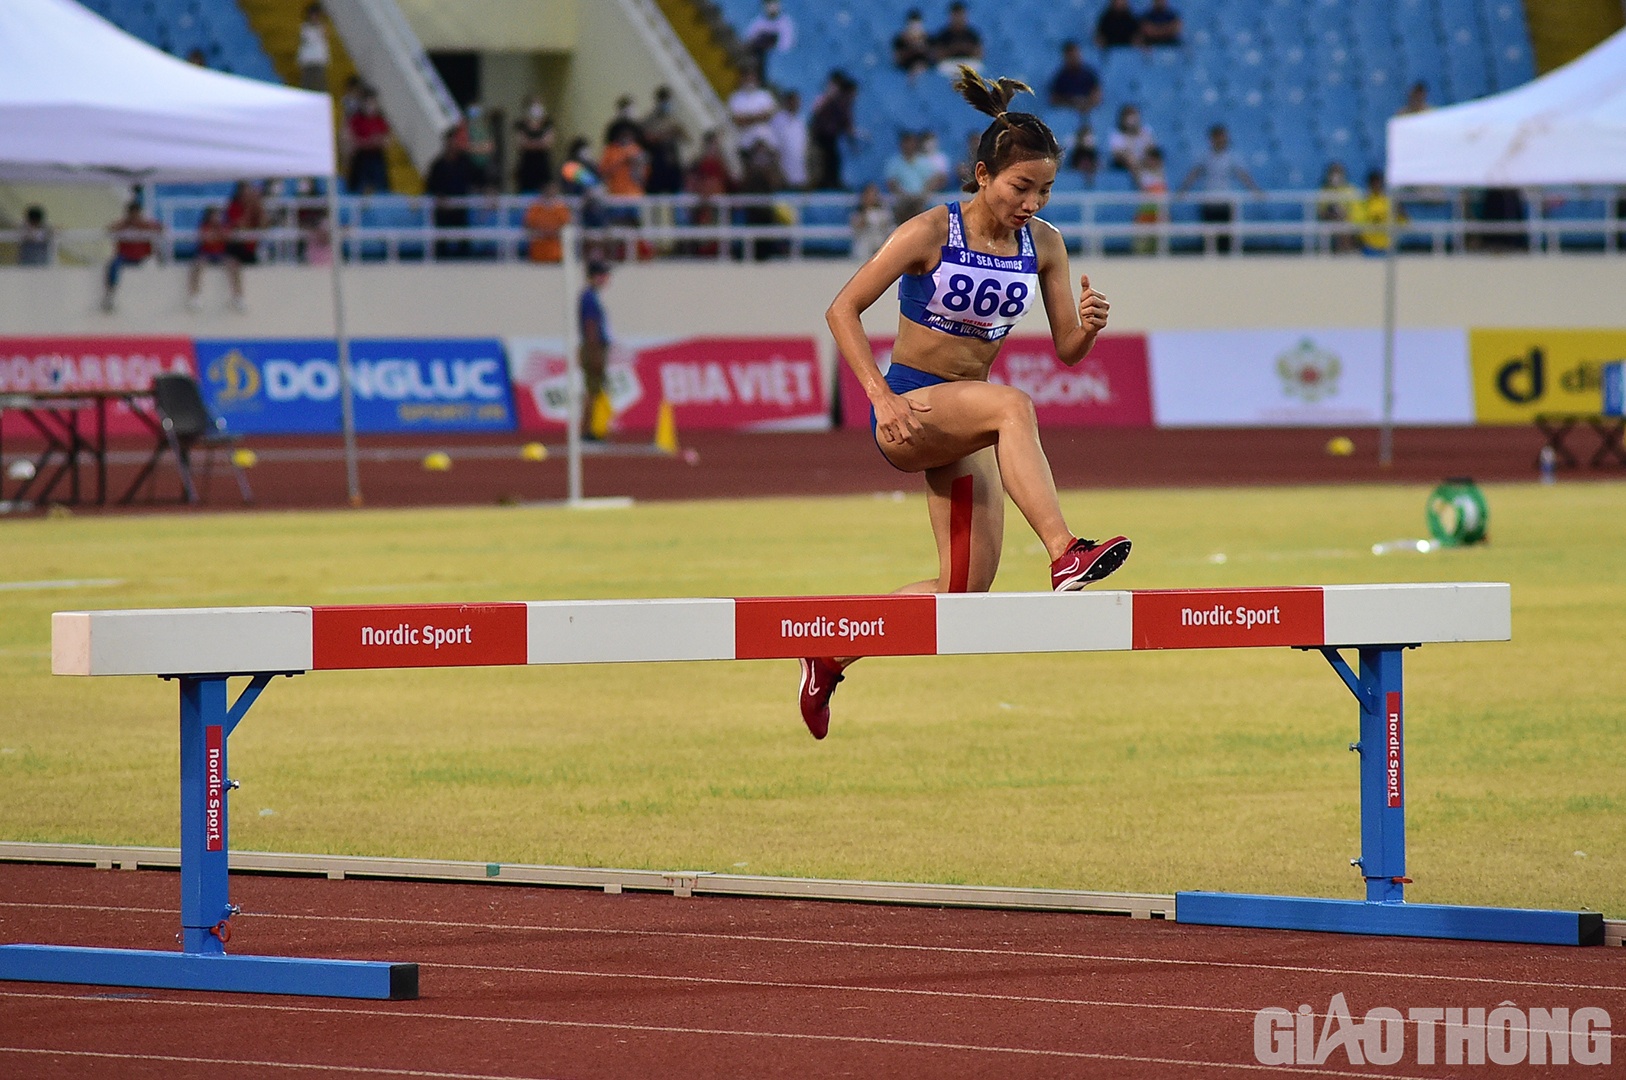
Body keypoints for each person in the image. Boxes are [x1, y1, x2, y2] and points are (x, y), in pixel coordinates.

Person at [808, 67, 1131, 740]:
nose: (1032, 202)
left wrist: (1089, 326)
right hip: (910, 409)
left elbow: (1067, 348)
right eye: (1021, 187)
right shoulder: (929, 230)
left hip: (965, 423)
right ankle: (1064, 551)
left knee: (962, 598)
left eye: (1044, 189)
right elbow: (842, 309)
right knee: (1013, 404)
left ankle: (830, 653)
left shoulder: (1045, 245)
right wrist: (878, 397)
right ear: (982, 176)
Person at [1176, 123, 1260, 254]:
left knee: (1228, 235)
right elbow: (1194, 173)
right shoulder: (1204, 156)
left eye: (1222, 137)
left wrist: (1255, 190)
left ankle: (1230, 264)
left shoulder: (1232, 157)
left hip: (1226, 201)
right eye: (1217, 137)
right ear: (1211, 138)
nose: (1220, 140)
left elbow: (1243, 175)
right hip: (1209, 201)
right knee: (1209, 236)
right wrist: (1183, 190)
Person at [425, 126, 487, 260]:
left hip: (460, 210)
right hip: (443, 212)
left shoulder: (465, 163)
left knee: (463, 243)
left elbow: (479, 180)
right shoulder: (438, 164)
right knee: (441, 244)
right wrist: (439, 197)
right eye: (452, 140)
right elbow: (430, 186)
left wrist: (487, 191)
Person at [101, 200, 162, 312]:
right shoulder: (123, 225)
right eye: (132, 214)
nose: (134, 217)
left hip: (142, 257)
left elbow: (161, 229)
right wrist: (125, 224)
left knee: (156, 261)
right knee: (113, 264)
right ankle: (110, 293)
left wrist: (142, 225)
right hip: (125, 257)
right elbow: (109, 229)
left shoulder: (145, 225)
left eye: (136, 214)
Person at [578, 259, 612, 439]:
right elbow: (590, 326)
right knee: (593, 389)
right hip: (594, 349)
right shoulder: (589, 297)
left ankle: (591, 428)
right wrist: (594, 352)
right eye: (605, 275)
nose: (607, 279)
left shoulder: (590, 296)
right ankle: (588, 430)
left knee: (594, 389)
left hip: (595, 348)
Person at [809, 70, 858, 190]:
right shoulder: (838, 99)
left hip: (828, 133)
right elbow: (845, 121)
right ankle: (827, 182)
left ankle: (829, 182)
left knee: (832, 157)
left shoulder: (837, 99)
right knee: (829, 158)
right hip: (824, 133)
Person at [186, 206, 242, 311]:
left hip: (220, 254)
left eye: (219, 215)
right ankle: (195, 295)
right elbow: (207, 240)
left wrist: (219, 233)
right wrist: (217, 235)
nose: (218, 218)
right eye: (215, 215)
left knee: (234, 264)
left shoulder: (224, 226)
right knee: (197, 265)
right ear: (209, 217)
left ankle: (238, 296)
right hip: (206, 254)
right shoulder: (204, 227)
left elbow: (228, 238)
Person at [884, 130, 946, 225]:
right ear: (901, 144)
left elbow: (935, 179)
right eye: (906, 143)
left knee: (921, 208)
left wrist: (924, 192)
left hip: (921, 198)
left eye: (911, 143)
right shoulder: (894, 163)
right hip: (903, 199)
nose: (909, 146)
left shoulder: (924, 162)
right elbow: (891, 182)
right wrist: (903, 194)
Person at [641, 86, 690, 196]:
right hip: (657, 164)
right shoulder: (650, 119)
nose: (668, 103)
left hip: (673, 164)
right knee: (654, 199)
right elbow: (646, 138)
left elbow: (687, 139)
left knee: (677, 201)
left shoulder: (675, 119)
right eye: (665, 100)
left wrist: (679, 132)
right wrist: (665, 134)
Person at [742, 0, 796, 84]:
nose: (771, 7)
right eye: (768, 4)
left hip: (778, 65)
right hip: (758, 58)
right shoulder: (759, 22)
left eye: (774, 4)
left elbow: (786, 46)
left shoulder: (785, 23)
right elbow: (749, 38)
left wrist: (771, 42)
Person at [347, 91, 391, 194]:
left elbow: (387, 140)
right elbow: (350, 141)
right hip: (361, 159)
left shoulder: (380, 120)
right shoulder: (356, 120)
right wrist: (368, 142)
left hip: (377, 158)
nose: (371, 106)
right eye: (369, 103)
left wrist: (379, 141)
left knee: (380, 186)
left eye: (374, 103)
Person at [1349, 170, 1402, 255]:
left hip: (1388, 248)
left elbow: (1404, 223)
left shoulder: (1389, 202)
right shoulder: (1363, 202)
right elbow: (1357, 224)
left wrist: (1400, 213)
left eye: (1378, 183)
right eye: (1374, 183)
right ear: (1369, 184)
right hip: (1368, 248)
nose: (1377, 186)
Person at [728, 67, 779, 153]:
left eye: (752, 77)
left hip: (766, 142)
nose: (749, 80)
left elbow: (769, 116)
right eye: (747, 77)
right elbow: (738, 121)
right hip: (745, 144)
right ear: (742, 78)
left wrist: (748, 117)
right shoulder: (735, 98)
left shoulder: (765, 96)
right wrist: (759, 117)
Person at [513, 97, 556, 193]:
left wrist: (530, 143)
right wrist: (539, 143)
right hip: (527, 166)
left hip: (543, 165)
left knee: (546, 192)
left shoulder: (548, 124)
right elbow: (521, 143)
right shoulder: (521, 125)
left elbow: (548, 143)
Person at [769, 89, 809, 190]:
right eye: (794, 101)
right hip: (782, 165)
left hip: (799, 164)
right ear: (787, 102)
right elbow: (773, 144)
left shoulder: (800, 121)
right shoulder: (778, 120)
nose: (797, 104)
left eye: (798, 102)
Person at [1315, 162, 1360, 253]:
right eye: (1333, 172)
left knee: (1345, 226)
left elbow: (1357, 212)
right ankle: (1335, 253)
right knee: (1333, 226)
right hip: (1330, 220)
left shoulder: (1351, 190)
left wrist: (1344, 215)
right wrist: (1330, 214)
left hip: (1348, 220)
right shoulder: (1324, 191)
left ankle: (1346, 250)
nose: (1335, 176)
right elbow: (1320, 213)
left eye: (1338, 172)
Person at [524, 178, 571, 262]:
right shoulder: (535, 207)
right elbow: (528, 226)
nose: (550, 191)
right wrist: (542, 232)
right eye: (549, 188)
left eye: (553, 189)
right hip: (538, 252)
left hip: (556, 252)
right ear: (544, 189)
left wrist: (553, 232)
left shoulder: (561, 208)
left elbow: (566, 226)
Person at [1048, 41, 1102, 114]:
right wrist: (1072, 102)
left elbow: (1097, 95)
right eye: (1070, 56)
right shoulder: (1061, 77)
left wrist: (1086, 103)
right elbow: (1054, 99)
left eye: (1075, 55)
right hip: (1068, 113)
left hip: (1088, 111)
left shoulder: (1089, 74)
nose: (1074, 58)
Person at [1131, 145, 1167, 254]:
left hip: (1158, 212)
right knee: (1141, 243)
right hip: (1145, 212)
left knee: (1159, 243)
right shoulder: (1143, 174)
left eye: (1155, 159)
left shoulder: (1162, 174)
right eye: (1150, 159)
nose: (1152, 162)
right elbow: (1134, 166)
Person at [223, 181, 265, 269]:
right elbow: (241, 226)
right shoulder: (234, 206)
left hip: (250, 249)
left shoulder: (256, 207)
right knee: (232, 264)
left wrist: (258, 206)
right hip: (236, 247)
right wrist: (249, 207)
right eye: (246, 192)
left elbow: (264, 225)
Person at [932, 2, 983, 72]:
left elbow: (979, 54)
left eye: (960, 16)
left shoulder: (972, 35)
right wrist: (953, 49)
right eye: (956, 16)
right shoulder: (943, 35)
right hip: (949, 64)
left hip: (968, 63)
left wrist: (965, 49)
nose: (958, 19)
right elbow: (938, 55)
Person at [850, 182, 892, 261]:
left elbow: (887, 227)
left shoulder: (884, 212)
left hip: (880, 243)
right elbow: (857, 227)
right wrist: (866, 211)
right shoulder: (857, 213)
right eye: (868, 194)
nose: (871, 197)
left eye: (874, 194)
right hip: (864, 246)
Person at [1106, 104, 1155, 172]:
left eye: (1134, 117)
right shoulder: (1116, 135)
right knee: (1130, 159)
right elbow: (1117, 154)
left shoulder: (1145, 131)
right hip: (1125, 165)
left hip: (1144, 162)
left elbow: (1151, 148)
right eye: (1129, 118)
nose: (1132, 121)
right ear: (1123, 120)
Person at [296, 3, 329, 92]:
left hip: (319, 59)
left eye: (316, 15)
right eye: (313, 15)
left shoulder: (322, 27)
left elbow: (323, 44)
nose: (315, 17)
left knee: (319, 83)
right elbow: (308, 41)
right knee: (307, 83)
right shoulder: (305, 28)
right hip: (308, 60)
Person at [892, 9, 934, 78]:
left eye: (917, 27)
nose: (915, 31)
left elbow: (934, 57)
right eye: (912, 27)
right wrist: (912, 49)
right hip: (904, 69)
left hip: (925, 69)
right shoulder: (900, 40)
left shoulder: (928, 39)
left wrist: (923, 49)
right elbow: (896, 60)